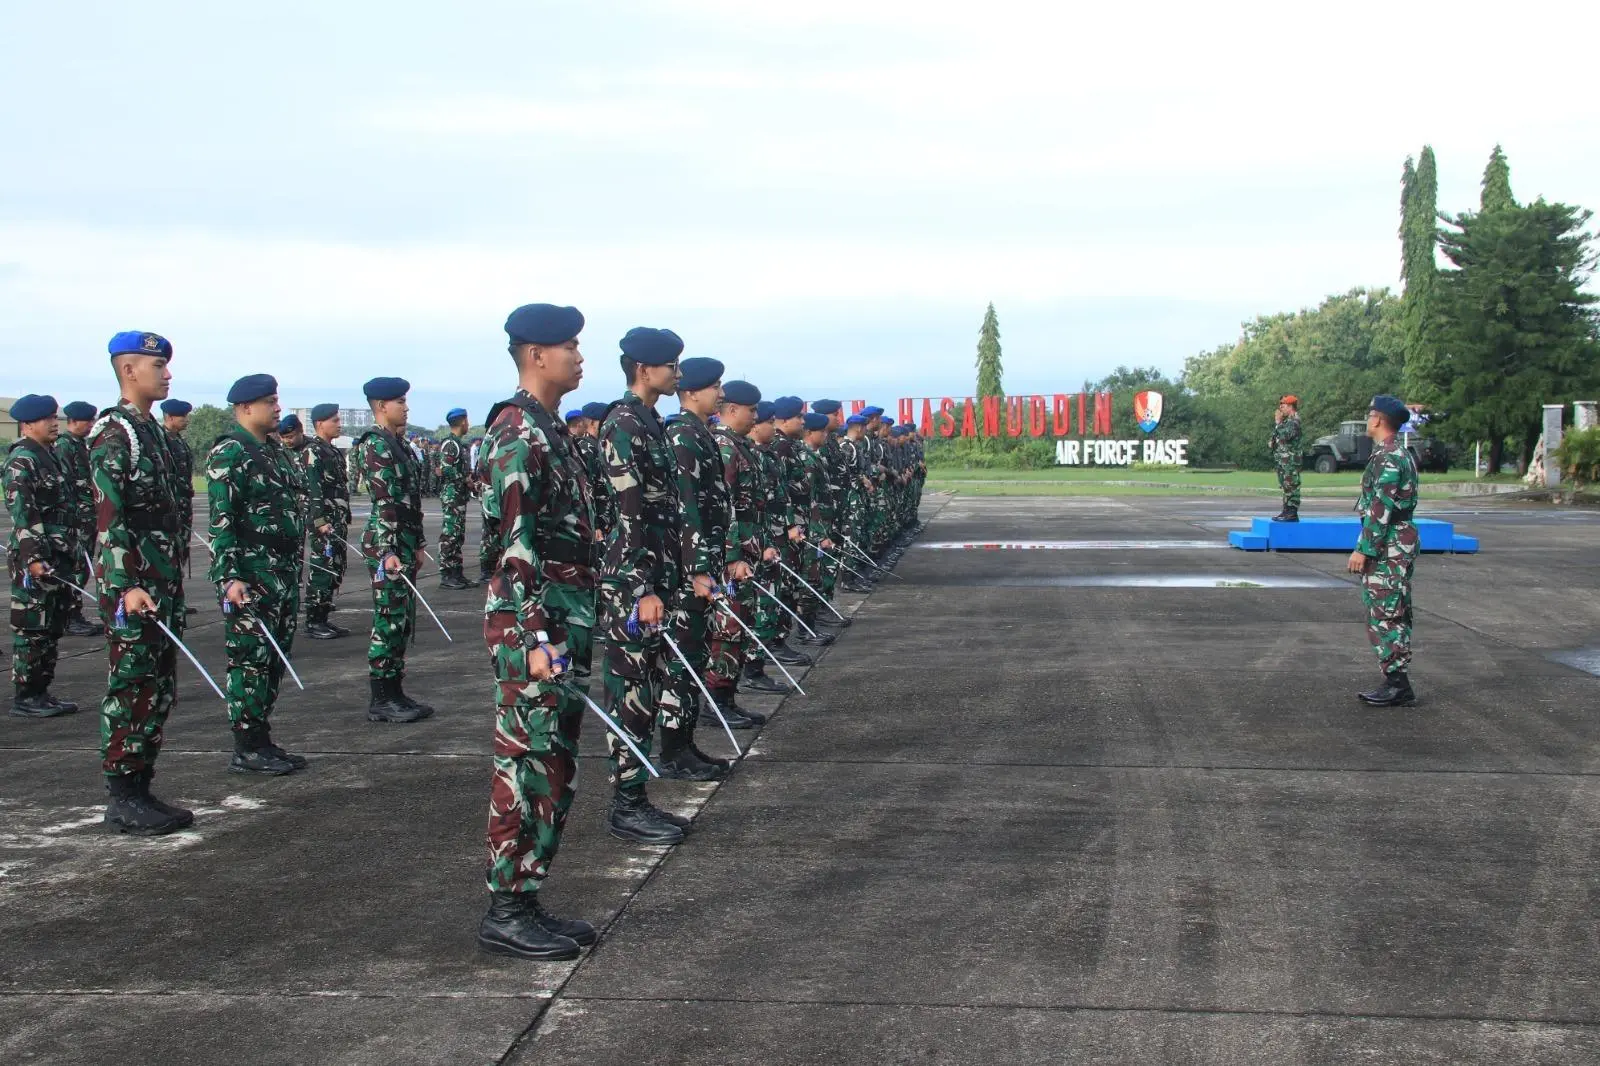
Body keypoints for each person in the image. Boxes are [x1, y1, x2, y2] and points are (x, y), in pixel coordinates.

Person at [476, 302, 599, 961]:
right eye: (570, 346)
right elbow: (514, 549)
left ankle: (526, 897)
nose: (580, 357)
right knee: (527, 763)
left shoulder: (552, 430)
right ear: (536, 355)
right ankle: (506, 907)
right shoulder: (518, 431)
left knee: (554, 764)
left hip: (561, 618)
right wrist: (532, 638)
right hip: (536, 624)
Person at [93, 331, 193, 835]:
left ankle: (141, 786)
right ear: (129, 370)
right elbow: (108, 517)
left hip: (160, 582)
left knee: (157, 687)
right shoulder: (116, 433)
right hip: (134, 588)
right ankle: (123, 796)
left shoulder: (150, 431)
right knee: (132, 685)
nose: (167, 374)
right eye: (158, 366)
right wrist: (125, 583)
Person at [597, 327, 692, 845]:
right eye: (670, 366)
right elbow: (626, 514)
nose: (677, 374)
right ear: (643, 369)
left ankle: (636, 797)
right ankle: (626, 804)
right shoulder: (624, 424)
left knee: (648, 687)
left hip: (656, 574)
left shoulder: (651, 421)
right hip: (634, 583)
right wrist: (641, 589)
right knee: (631, 691)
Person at [207, 375, 309, 774]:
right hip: (251, 575)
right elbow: (222, 521)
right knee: (250, 660)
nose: (278, 408)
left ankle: (261, 738)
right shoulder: (231, 452)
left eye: (277, 400)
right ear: (246, 408)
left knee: (274, 658)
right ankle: (246, 745)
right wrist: (229, 577)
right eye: (269, 402)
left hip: (281, 571)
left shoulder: (274, 451)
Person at [660, 356, 745, 781]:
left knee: (694, 654)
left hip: (703, 563)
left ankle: (686, 741)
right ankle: (674, 750)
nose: (721, 394)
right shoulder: (681, 435)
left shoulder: (700, 433)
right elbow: (685, 505)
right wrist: (696, 568)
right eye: (714, 387)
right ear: (692, 391)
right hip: (687, 571)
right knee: (682, 660)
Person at [357, 377, 434, 723]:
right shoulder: (376, 445)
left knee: (402, 620)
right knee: (388, 620)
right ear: (381, 406)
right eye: (399, 402)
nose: (406, 407)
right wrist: (388, 550)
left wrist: (418, 542)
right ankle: (381, 697)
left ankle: (395, 691)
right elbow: (385, 502)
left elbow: (409, 502)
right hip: (386, 544)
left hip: (403, 541)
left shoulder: (397, 443)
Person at [708, 381, 779, 713]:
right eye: (751, 410)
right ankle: (717, 700)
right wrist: (733, 555)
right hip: (731, 558)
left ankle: (728, 697)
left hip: (749, 551)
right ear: (732, 409)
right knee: (729, 627)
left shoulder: (739, 445)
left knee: (741, 623)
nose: (755, 416)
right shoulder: (724, 447)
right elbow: (724, 507)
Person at [5, 395, 78, 717]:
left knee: (51, 627)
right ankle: (26, 695)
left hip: (57, 556)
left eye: (54, 417)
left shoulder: (49, 456)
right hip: (36, 560)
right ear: (27, 424)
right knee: (32, 628)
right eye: (46, 419)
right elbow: (24, 513)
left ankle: (41, 691)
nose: (54, 423)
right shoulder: (22, 460)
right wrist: (34, 558)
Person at [1347, 394, 1421, 707]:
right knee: (1393, 608)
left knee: (1385, 611)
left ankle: (1397, 684)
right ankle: (1396, 680)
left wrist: (1363, 550)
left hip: (1388, 544)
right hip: (1397, 540)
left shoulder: (1388, 457)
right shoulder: (1397, 453)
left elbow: (1381, 508)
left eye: (1370, 415)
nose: (1368, 420)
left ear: (1378, 419)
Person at [54, 400, 105, 636]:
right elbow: (66, 485)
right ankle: (69, 617)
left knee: (82, 567)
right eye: (87, 421)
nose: (91, 425)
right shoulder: (64, 446)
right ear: (73, 421)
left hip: (87, 518)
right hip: (76, 519)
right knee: (76, 567)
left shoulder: (81, 445)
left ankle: (73, 614)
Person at [303, 403, 353, 639]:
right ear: (320, 424)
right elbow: (313, 490)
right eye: (334, 420)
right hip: (325, 523)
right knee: (322, 568)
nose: (339, 424)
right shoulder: (313, 451)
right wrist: (319, 521)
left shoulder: (331, 451)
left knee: (335, 567)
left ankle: (323, 617)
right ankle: (314, 621)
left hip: (336, 520)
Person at [434, 407, 477, 589]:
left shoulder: (458, 443)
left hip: (458, 495)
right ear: (463, 422)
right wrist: (465, 479)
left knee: (458, 534)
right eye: (467, 421)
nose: (468, 424)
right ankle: (447, 574)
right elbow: (446, 469)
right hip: (452, 495)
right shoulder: (451, 444)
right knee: (450, 534)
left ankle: (457, 573)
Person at [1271, 394, 1302, 523]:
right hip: (1283, 461)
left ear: (1290, 407)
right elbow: (1276, 438)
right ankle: (1286, 510)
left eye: (1283, 406)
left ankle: (1292, 511)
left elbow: (1286, 435)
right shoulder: (1286, 422)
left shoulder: (1294, 421)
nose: (1280, 408)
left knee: (1291, 485)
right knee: (1285, 485)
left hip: (1291, 461)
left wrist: (1278, 424)